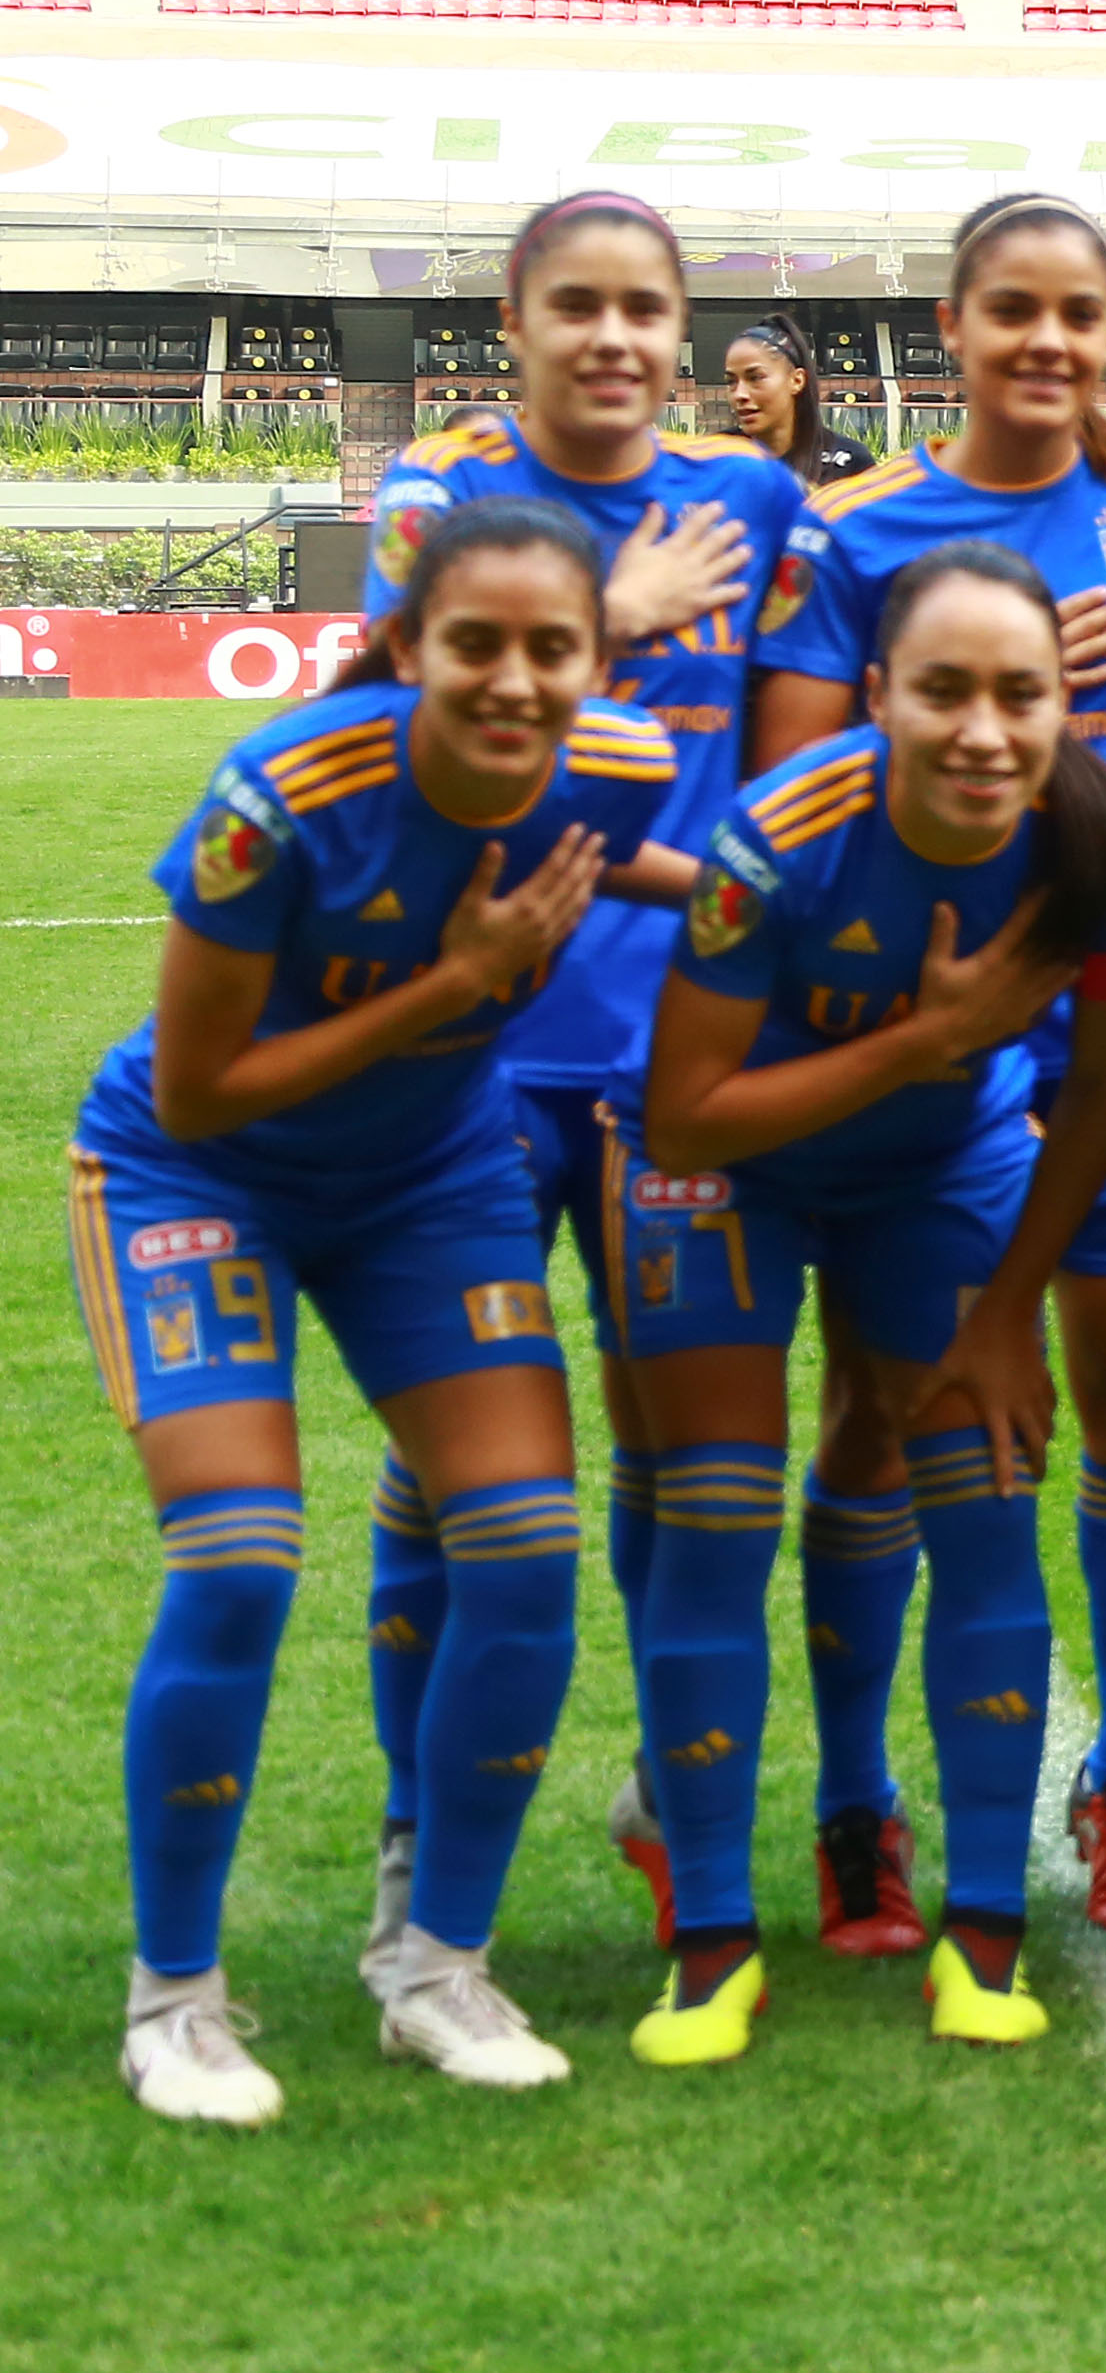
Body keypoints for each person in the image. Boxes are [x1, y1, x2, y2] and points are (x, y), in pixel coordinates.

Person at [85, 501, 680, 2123]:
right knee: (237, 1561)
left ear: (597, 661)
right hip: (195, 1173)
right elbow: (200, 1091)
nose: (512, 679)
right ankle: (175, 2001)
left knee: (524, 1548)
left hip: (431, 1180)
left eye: (550, 648)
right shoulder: (274, 800)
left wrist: (749, 901)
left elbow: (601, 844)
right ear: (405, 645)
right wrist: (458, 981)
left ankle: (435, 1964)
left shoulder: (619, 756)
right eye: (472, 644)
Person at [748, 193, 1106, 1932]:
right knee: (884, 1415)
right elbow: (794, 775)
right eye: (1014, 313)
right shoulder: (860, 526)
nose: (1050, 345)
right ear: (949, 330)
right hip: (909, 1005)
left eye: (1083, 317)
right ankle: (852, 1799)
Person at [616, 540, 1106, 2062]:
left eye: (1021, 693)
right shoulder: (776, 836)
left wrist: (1006, 1314)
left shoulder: (1100, 849)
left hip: (941, 1168)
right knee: (717, 1508)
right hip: (729, 1167)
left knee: (983, 1491)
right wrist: (929, 1037)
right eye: (943, 690)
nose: (984, 729)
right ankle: (713, 1939)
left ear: (1070, 704)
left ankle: (982, 1930)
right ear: (876, 695)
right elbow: (682, 1118)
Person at [359, 191, 808, 1963]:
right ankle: (413, 1840)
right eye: (579, 306)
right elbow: (401, 741)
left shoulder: (753, 498)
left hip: (679, 1056)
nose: (614, 338)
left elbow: (799, 742)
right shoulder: (435, 501)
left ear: (685, 333)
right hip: (465, 1052)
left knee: (681, 1458)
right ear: (515, 319)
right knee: (443, 1471)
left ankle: (675, 1802)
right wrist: (606, 614)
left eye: (646, 308)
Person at [723, 314, 875, 491]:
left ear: (797, 380)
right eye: (731, 381)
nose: (739, 394)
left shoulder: (851, 463)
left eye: (756, 378)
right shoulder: (709, 461)